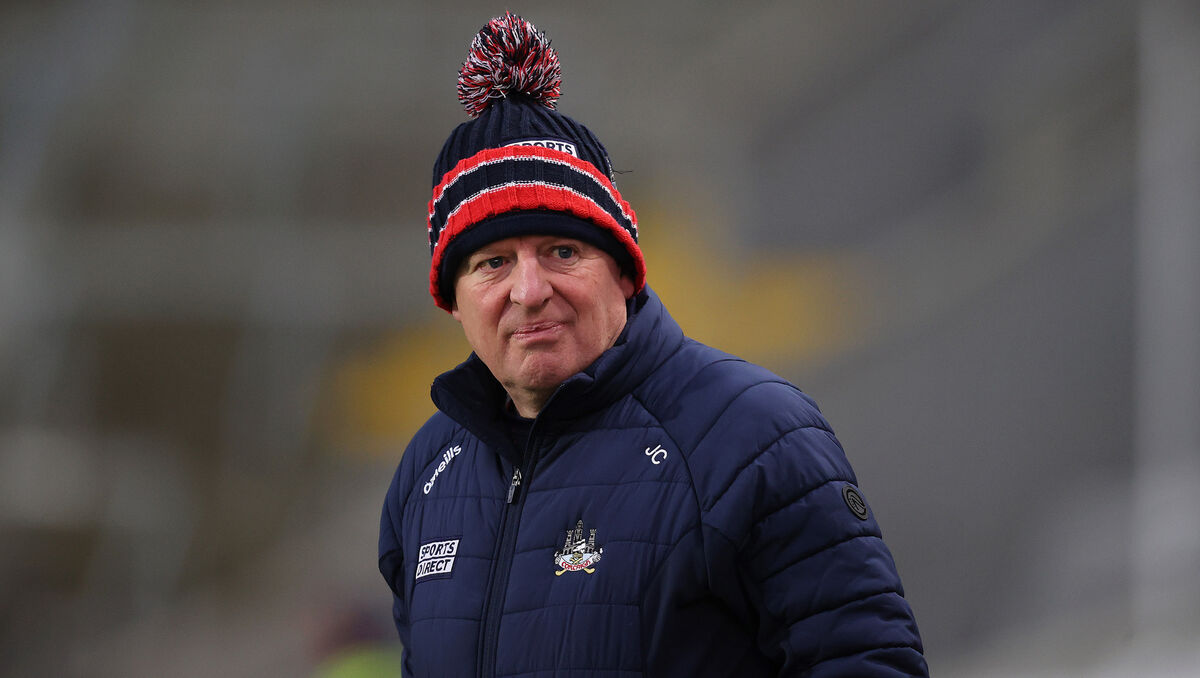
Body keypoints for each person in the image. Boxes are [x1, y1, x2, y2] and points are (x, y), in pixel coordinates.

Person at [379, 13, 928, 678]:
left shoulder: (755, 435)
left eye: (561, 250)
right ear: (454, 298)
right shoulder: (426, 475)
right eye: (491, 262)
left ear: (622, 270)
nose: (529, 289)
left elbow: (866, 664)